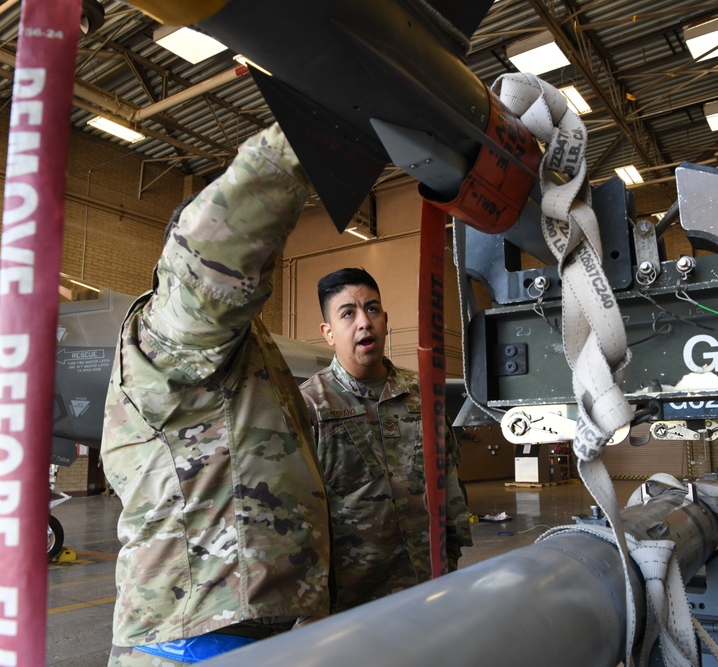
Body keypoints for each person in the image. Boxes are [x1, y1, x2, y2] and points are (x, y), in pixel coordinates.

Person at [101, 124, 330, 666]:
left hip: (239, 631)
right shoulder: (168, 331)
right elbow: (210, 256)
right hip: (194, 642)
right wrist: (318, 126)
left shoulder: (244, 357)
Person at [299, 267, 472, 612]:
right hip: (352, 604)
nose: (364, 321)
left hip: (429, 587)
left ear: (386, 319)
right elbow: (301, 518)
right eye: (348, 313)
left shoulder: (423, 394)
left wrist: (451, 557)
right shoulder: (310, 407)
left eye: (372, 309)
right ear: (328, 332)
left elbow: (449, 481)